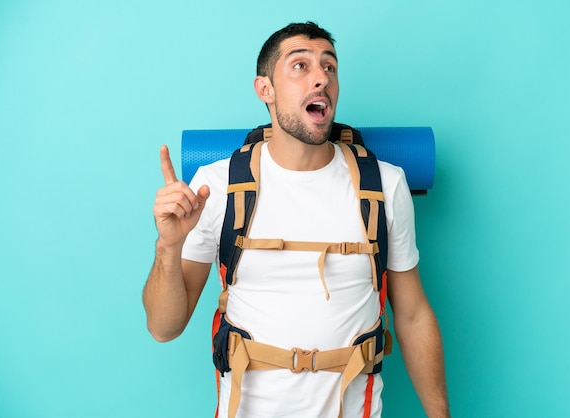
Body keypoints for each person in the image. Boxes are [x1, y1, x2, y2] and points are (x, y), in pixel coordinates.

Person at [143, 22, 449, 418]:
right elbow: (163, 328)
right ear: (264, 89)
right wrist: (168, 245)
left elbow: (412, 314)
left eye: (330, 67)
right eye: (300, 66)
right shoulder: (215, 187)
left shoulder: (385, 185)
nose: (321, 77)